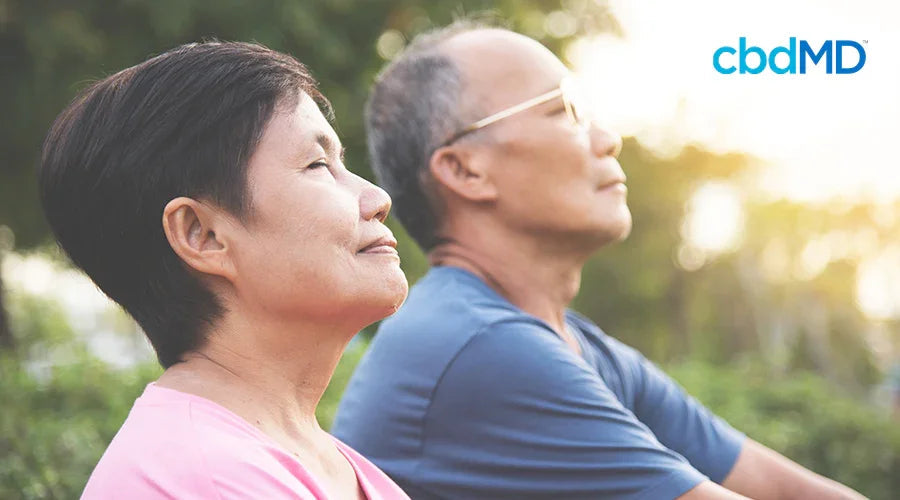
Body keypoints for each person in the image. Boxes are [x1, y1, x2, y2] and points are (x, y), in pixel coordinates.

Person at [331, 23, 865, 500]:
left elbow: (788, 490)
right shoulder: (480, 350)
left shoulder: (576, 345)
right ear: (466, 170)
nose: (608, 139)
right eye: (563, 111)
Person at [38, 41, 410, 499]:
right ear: (203, 235)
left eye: (342, 164)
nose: (377, 198)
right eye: (317, 165)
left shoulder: (317, 462)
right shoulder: (205, 477)